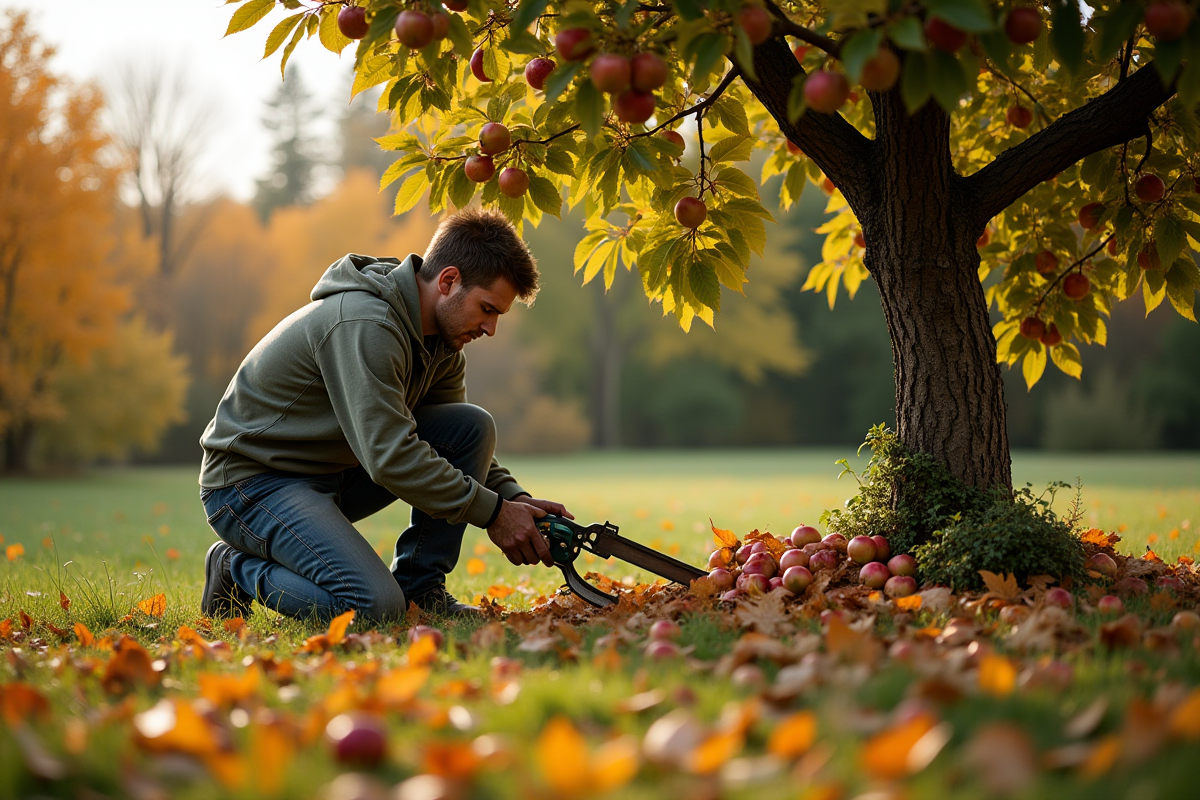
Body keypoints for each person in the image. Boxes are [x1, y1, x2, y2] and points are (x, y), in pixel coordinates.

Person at [197, 208, 572, 621]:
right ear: (448, 281)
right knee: (372, 607)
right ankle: (234, 567)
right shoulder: (365, 324)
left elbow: (452, 447)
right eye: (487, 309)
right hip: (251, 484)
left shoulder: (442, 345)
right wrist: (495, 514)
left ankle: (421, 588)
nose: (490, 328)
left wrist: (515, 500)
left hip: (331, 473)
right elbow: (391, 455)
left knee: (471, 426)